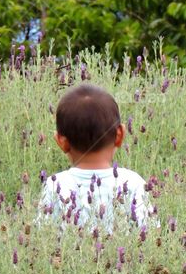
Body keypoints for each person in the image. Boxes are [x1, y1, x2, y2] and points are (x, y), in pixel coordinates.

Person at [38, 83, 151, 234]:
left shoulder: (54, 185)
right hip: (123, 257)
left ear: (61, 141)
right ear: (120, 135)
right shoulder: (134, 183)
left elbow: (42, 240)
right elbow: (150, 236)